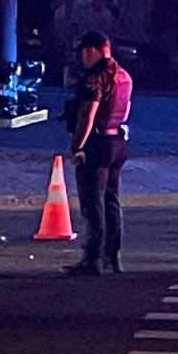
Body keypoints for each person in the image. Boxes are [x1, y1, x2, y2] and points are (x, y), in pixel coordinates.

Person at [64, 31, 133, 276]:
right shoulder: (123, 75)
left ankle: (92, 259)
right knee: (111, 200)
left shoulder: (94, 78)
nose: (82, 57)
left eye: (84, 51)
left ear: (92, 50)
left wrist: (77, 146)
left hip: (98, 143)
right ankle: (111, 257)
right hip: (118, 142)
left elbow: (88, 114)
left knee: (93, 203)